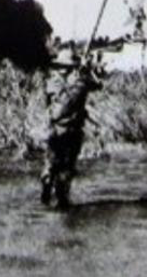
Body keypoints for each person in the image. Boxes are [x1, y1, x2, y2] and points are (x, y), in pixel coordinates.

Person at [40, 63, 103, 209]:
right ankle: (62, 199)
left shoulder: (51, 83)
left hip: (55, 130)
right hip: (72, 131)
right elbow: (99, 85)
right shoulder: (81, 84)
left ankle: (47, 180)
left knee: (51, 162)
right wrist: (89, 70)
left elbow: (47, 104)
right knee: (67, 166)